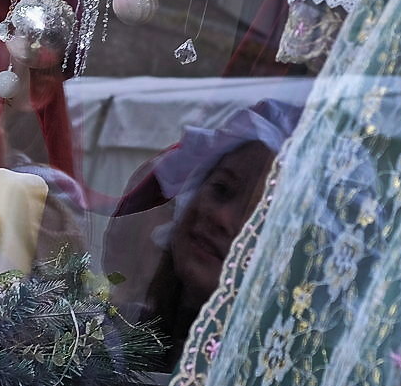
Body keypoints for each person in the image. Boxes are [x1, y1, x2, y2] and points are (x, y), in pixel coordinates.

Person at [105, 101, 296, 369]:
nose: (221, 218)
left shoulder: (252, 377)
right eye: (221, 189)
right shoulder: (115, 331)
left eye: (258, 216)